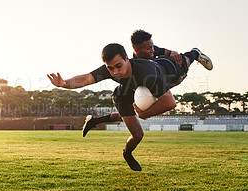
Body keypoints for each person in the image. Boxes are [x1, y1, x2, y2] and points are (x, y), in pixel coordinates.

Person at [47, 43, 212, 171]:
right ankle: (128, 153)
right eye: (110, 68)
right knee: (138, 134)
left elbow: (170, 102)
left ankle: (99, 125)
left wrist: (145, 113)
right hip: (123, 96)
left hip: (143, 91)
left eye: (118, 65)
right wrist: (64, 84)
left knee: (133, 117)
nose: (115, 72)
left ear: (127, 58)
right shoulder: (110, 69)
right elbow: (86, 78)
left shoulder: (148, 72)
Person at [81, 30, 213, 138]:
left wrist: (170, 52)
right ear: (136, 51)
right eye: (149, 48)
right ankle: (94, 121)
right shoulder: (134, 61)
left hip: (168, 69)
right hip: (151, 82)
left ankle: (195, 53)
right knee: (130, 114)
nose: (152, 50)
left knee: (184, 61)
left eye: (152, 47)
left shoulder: (149, 55)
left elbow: (156, 50)